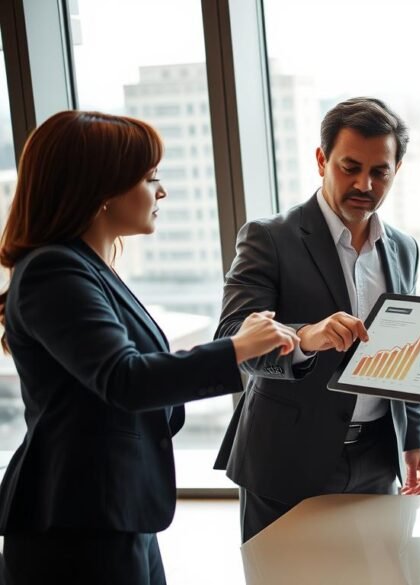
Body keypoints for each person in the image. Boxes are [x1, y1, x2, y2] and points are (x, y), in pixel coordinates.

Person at [0, 110, 299, 584]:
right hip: (77, 523)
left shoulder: (87, 267)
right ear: (99, 189)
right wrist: (236, 348)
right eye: (148, 178)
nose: (160, 192)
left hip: (113, 510)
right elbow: (126, 378)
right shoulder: (53, 272)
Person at [214, 97, 420, 542]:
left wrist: (414, 439)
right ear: (321, 160)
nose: (364, 184)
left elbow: (403, 352)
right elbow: (232, 338)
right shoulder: (269, 237)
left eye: (379, 172)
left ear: (396, 170)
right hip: (286, 460)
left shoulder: (404, 248)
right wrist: (305, 339)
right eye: (349, 167)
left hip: (377, 459)